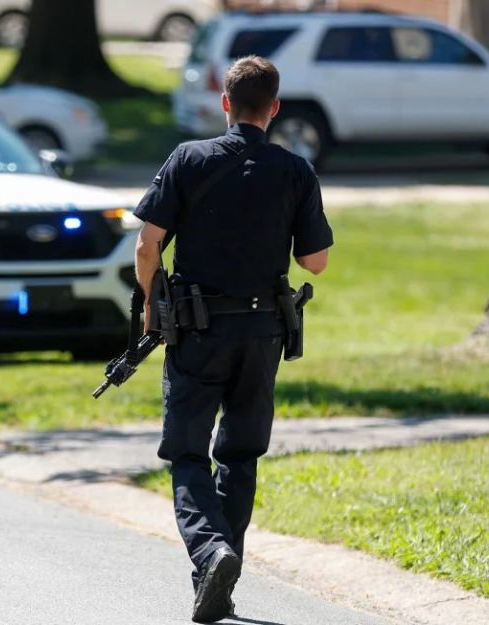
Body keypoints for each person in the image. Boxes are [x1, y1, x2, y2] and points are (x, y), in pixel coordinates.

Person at [132, 56, 333, 623]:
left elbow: (149, 245)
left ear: (225, 101)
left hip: (198, 332)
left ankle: (210, 551)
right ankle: (218, 572)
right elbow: (314, 262)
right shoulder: (295, 170)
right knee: (240, 455)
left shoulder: (188, 159)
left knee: (187, 452)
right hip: (263, 333)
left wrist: (150, 301)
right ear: (274, 108)